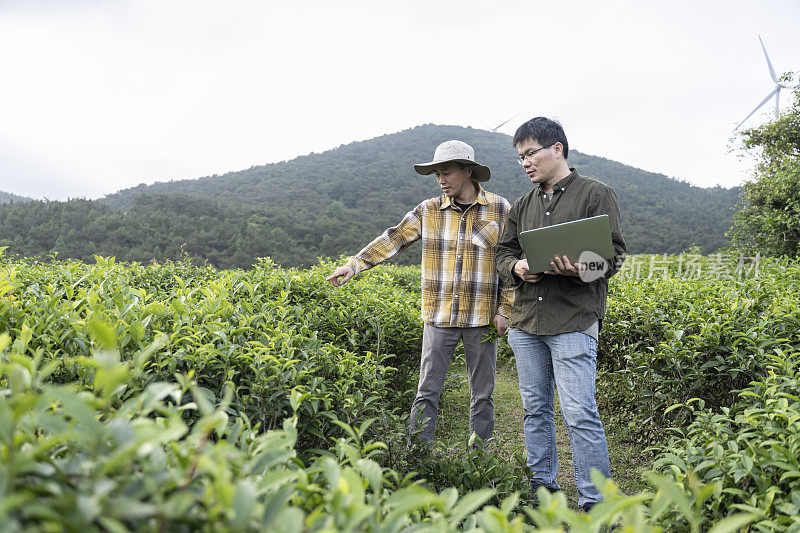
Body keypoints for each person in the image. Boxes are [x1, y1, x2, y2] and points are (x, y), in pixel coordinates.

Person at [327, 140, 513, 447]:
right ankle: (417, 455)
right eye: (437, 173)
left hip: (482, 319)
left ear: (468, 172)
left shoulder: (500, 209)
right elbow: (394, 239)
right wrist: (356, 264)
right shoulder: (427, 211)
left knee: (483, 395)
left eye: (447, 172)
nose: (441, 179)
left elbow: (509, 260)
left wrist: (504, 309)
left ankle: (481, 461)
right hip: (438, 317)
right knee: (427, 391)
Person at [495, 117, 626, 511]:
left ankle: (595, 503)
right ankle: (543, 488)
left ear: (557, 149)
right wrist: (517, 268)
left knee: (579, 412)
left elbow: (614, 257)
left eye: (530, 153)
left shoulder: (595, 194)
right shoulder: (521, 205)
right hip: (526, 322)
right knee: (535, 409)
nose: (525, 163)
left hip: (573, 319)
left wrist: (581, 267)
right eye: (520, 157)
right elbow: (503, 253)